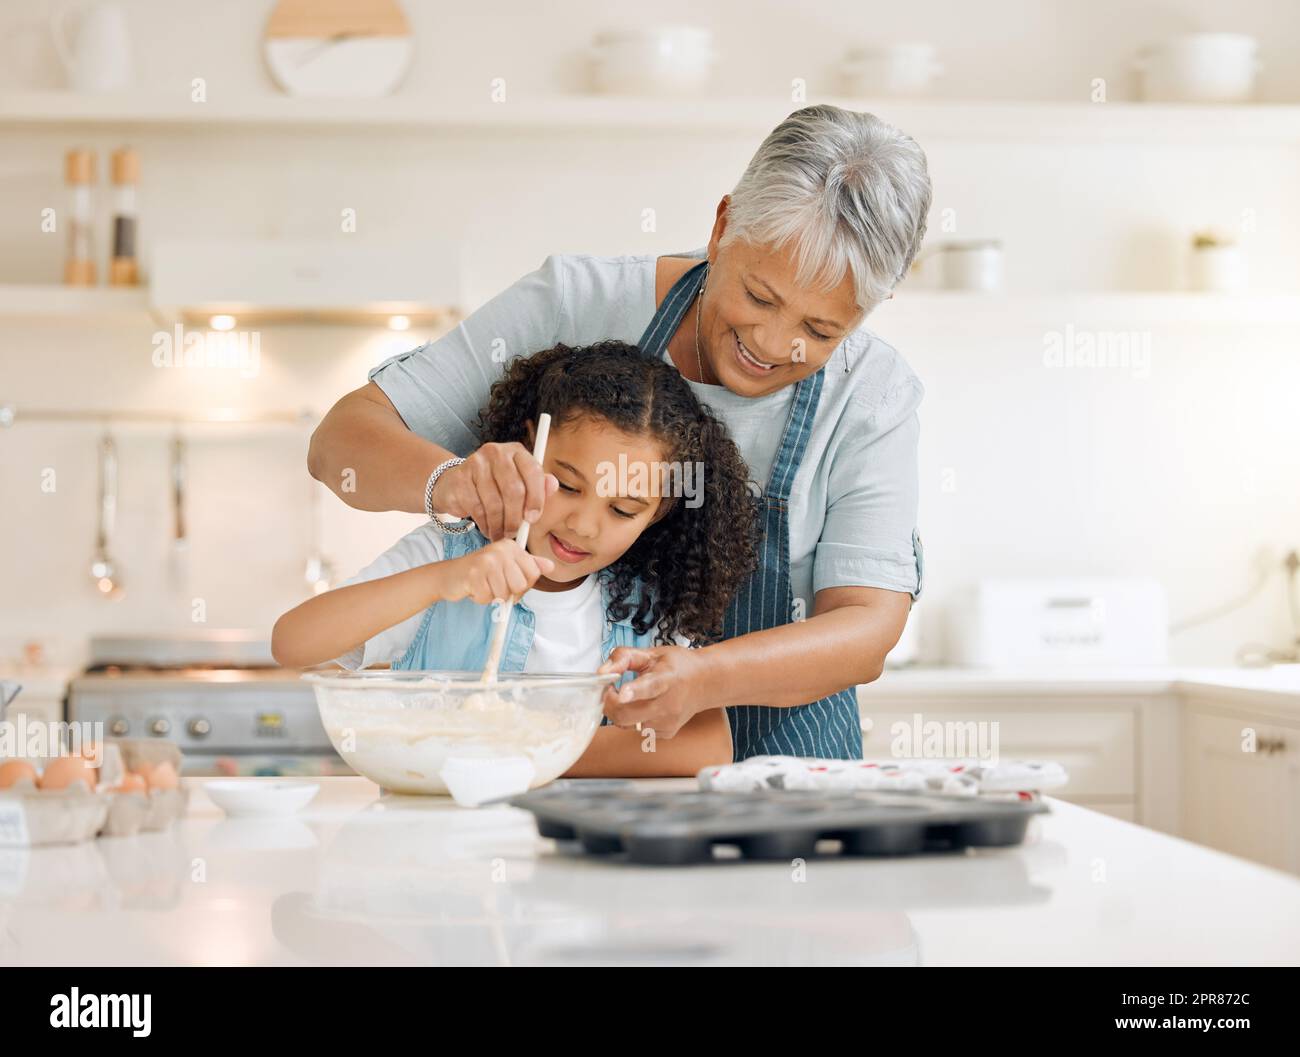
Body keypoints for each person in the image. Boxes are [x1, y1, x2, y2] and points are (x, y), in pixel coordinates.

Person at [308, 104, 931, 760]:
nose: (772, 344)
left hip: (794, 770)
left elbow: (867, 627)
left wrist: (704, 678)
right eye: (759, 297)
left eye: (821, 330)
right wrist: (450, 481)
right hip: (591, 773)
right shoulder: (573, 302)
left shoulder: (873, 394)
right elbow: (339, 443)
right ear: (722, 227)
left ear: (869, 309)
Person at [275, 341, 758, 776]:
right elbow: (295, 644)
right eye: (566, 486)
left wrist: (516, 750)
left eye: (622, 509)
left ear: (658, 512)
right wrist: (442, 580)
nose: (583, 525)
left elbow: (706, 745)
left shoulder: (648, 603)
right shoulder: (451, 552)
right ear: (529, 449)